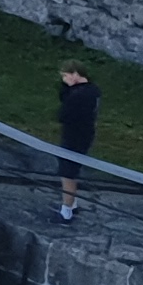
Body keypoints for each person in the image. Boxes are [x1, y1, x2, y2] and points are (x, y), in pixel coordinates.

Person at [55, 65, 99, 222]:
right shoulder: (92, 90)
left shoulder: (79, 96)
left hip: (75, 136)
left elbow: (63, 114)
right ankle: (72, 204)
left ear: (75, 74)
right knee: (70, 169)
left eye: (66, 76)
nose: (64, 80)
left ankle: (66, 211)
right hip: (85, 134)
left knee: (67, 172)